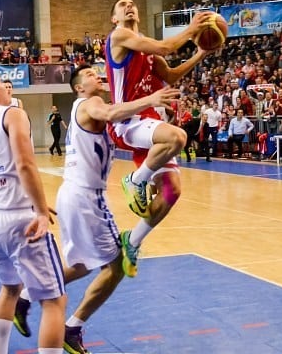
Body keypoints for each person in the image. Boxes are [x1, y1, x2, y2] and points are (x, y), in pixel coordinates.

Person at [12, 66, 179, 352]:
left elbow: (121, 123)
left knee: (79, 266)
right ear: (78, 87)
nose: (96, 74)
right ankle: (72, 328)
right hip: (88, 198)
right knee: (116, 267)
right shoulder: (92, 103)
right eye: (89, 73)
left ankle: (24, 298)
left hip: (72, 193)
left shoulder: (89, 108)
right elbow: (113, 113)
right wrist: (150, 99)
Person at [0, 67, 66, 354]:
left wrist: (37, 202)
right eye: (1, 83)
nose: (8, 87)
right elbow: (24, 164)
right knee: (54, 302)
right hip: (17, 222)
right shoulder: (13, 113)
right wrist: (41, 213)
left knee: (11, 288)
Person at [105, 0, 210, 278]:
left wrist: (201, 53)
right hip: (126, 120)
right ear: (114, 18)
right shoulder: (120, 36)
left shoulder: (148, 51)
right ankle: (135, 181)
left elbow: (171, 75)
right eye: (121, 5)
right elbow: (166, 45)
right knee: (178, 138)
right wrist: (190, 29)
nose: (129, 5)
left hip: (149, 123)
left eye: (131, 3)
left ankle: (132, 241)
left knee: (172, 190)